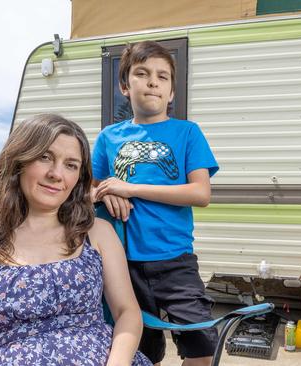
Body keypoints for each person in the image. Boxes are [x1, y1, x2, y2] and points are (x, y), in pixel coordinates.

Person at [0, 114, 152, 366]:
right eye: (45, 157)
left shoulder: (96, 232)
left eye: (71, 165)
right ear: (18, 160)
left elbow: (127, 312)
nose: (57, 174)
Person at [92, 41, 219, 366]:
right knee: (141, 353)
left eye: (162, 77)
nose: (153, 82)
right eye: (142, 73)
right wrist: (108, 192)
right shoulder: (109, 137)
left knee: (201, 347)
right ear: (124, 86)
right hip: (123, 265)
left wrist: (131, 189)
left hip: (175, 261)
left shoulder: (187, 132)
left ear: (172, 92)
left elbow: (199, 194)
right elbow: (88, 191)